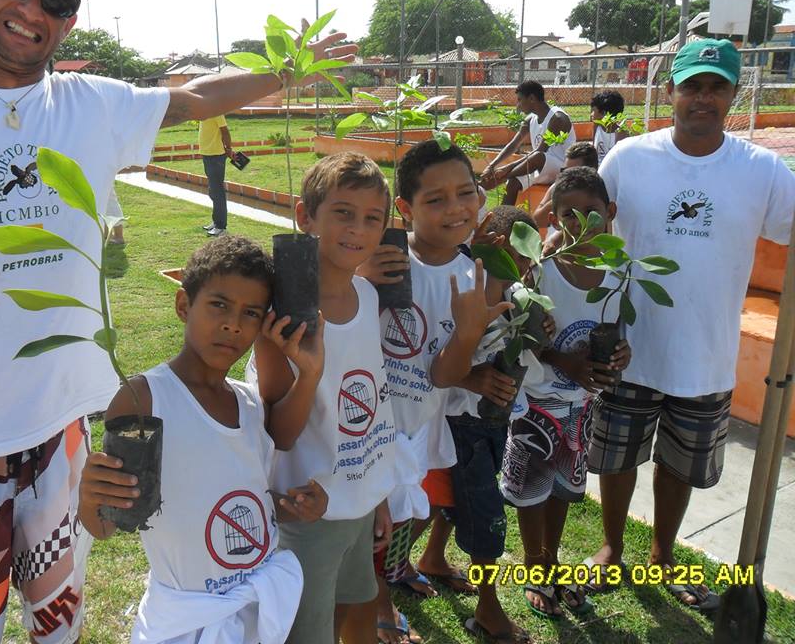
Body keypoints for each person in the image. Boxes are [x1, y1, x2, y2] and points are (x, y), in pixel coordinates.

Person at [0, 0, 355, 639]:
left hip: (65, 435)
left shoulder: (88, 106)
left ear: (72, 19)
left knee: (60, 626)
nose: (33, 7)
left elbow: (193, 98)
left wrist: (288, 73)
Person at [584, 38, 795, 613]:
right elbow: (586, 227)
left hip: (706, 353)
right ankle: (611, 547)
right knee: (617, 457)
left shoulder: (762, 171)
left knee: (679, 464)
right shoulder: (629, 158)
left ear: (734, 94)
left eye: (716, 87)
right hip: (629, 344)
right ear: (671, 90)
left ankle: (661, 554)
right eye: (692, 86)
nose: (703, 98)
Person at [79, 236, 328, 643]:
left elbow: (245, 501)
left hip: (254, 617)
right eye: (219, 305)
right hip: (186, 624)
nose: (233, 324)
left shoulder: (248, 404)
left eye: (251, 313)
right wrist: (91, 498)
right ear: (183, 305)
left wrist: (293, 507)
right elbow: (108, 523)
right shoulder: (146, 399)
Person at [249, 152, 412, 644]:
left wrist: (375, 495)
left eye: (373, 218)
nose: (358, 229)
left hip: (357, 505)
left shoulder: (368, 296)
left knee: (351, 608)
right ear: (305, 216)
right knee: (306, 632)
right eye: (343, 212)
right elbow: (279, 433)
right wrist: (310, 372)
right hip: (309, 514)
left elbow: (372, 407)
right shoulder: (284, 318)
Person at [359, 140, 509, 644]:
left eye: (466, 193)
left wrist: (471, 343)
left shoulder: (474, 275)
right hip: (368, 421)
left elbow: (446, 371)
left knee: (407, 509)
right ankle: (376, 599)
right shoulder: (387, 261)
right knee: (371, 517)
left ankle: (392, 575)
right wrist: (360, 277)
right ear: (405, 209)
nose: (456, 208)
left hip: (423, 419)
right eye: (436, 199)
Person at [501, 167, 631, 619]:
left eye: (590, 212)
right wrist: (563, 360)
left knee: (563, 487)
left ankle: (551, 558)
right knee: (532, 489)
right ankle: (534, 567)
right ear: (553, 218)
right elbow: (520, 337)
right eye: (568, 215)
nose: (579, 223)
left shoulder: (619, 272)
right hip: (537, 402)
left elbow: (619, 331)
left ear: (610, 212)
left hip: (582, 405)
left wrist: (621, 355)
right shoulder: (541, 272)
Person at [440, 205, 548, 644]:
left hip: (492, 418)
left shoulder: (517, 292)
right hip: (462, 418)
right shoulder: (464, 290)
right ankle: (488, 607)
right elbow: (440, 354)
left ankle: (431, 558)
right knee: (485, 514)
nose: (528, 265)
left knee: (458, 498)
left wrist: (538, 326)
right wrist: (472, 376)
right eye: (523, 255)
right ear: (500, 246)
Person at [481, 81, 576, 206]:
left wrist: (506, 170)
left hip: (563, 168)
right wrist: (492, 166)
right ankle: (503, 215)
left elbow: (540, 152)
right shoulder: (530, 119)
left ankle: (500, 179)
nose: (518, 105)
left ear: (531, 98)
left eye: (520, 100)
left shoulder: (557, 119)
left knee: (538, 156)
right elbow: (514, 144)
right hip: (541, 167)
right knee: (513, 182)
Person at [532, 142, 599, 228]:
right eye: (565, 171)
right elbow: (537, 221)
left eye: (574, 172)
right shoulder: (556, 187)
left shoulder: (599, 193)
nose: (567, 177)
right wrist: (559, 199)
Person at [199, 114, 234, 236]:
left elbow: (225, 131)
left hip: (216, 155)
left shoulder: (217, 113)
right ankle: (216, 221)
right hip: (207, 154)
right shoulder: (204, 112)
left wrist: (228, 148)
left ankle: (221, 226)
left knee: (217, 191)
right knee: (213, 191)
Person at [590, 90, 628, 164]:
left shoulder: (620, 133)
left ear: (604, 113)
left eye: (593, 111)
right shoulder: (597, 126)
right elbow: (594, 150)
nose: (591, 114)